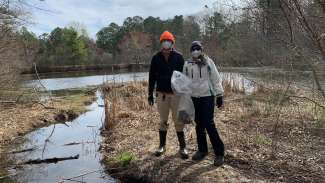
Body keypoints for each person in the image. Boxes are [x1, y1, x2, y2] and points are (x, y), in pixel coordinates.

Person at [183, 41, 225, 166]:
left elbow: (216, 79)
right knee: (199, 124)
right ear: (190, 51)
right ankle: (202, 150)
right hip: (194, 97)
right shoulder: (187, 64)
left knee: (209, 123)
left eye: (198, 49)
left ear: (201, 50)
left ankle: (219, 153)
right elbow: (184, 81)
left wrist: (219, 95)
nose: (195, 51)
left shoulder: (208, 62)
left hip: (207, 96)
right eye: (193, 49)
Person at [148, 31, 189, 159]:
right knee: (163, 121)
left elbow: (184, 77)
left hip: (176, 95)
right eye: (164, 41)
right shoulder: (156, 58)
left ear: (172, 43)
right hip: (162, 95)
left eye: (168, 41)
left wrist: (185, 94)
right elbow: (151, 77)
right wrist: (150, 94)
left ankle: (183, 147)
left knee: (179, 121)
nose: (166, 43)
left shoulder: (179, 57)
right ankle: (162, 146)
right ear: (161, 43)